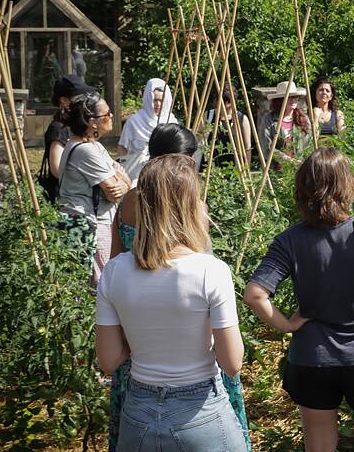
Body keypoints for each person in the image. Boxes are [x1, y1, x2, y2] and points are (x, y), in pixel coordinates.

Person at [244, 148, 354, 452]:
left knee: (319, 445)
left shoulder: (289, 240)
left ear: (303, 188)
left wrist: (287, 325)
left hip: (311, 358)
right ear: (346, 186)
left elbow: (254, 294)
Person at [105, 122, 251, 451]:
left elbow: (114, 261)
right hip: (196, 375)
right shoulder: (194, 216)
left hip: (137, 350)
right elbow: (231, 360)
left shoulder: (126, 206)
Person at [58, 93, 131, 284]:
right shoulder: (85, 150)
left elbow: (123, 181)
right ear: (93, 122)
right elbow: (113, 192)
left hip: (90, 223)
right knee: (100, 285)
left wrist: (122, 179)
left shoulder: (93, 146)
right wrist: (122, 178)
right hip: (90, 225)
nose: (112, 116)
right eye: (107, 113)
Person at [39, 74, 95, 200]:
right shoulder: (59, 128)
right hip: (65, 198)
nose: (85, 100)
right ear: (64, 100)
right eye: (80, 96)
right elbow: (57, 169)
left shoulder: (77, 125)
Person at [118, 78, 179, 181]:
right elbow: (122, 147)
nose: (158, 104)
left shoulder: (171, 122)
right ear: (148, 99)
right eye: (155, 100)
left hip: (163, 174)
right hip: (136, 174)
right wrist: (122, 170)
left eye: (161, 100)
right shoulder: (134, 121)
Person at [258, 80, 310, 164]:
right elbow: (267, 147)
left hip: (301, 166)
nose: (293, 100)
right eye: (289, 97)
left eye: (295, 97)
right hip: (277, 168)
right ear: (280, 100)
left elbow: (309, 144)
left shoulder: (303, 119)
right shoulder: (269, 119)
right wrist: (287, 159)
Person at [206, 85, 253, 168]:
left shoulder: (242, 119)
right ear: (216, 101)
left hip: (234, 169)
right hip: (210, 168)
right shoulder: (208, 115)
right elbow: (199, 140)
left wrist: (246, 168)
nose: (226, 105)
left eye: (229, 102)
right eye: (223, 102)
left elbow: (247, 148)